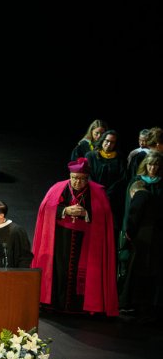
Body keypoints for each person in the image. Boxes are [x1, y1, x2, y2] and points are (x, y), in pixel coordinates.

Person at [31, 158, 119, 316]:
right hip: (60, 238)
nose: (77, 182)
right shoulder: (58, 188)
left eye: (82, 179)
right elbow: (46, 208)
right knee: (59, 270)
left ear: (87, 178)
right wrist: (66, 211)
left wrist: (86, 213)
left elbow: (104, 214)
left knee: (83, 271)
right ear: (70, 176)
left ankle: (80, 307)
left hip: (86, 239)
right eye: (74, 178)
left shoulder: (97, 192)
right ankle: (54, 304)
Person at [121, 154, 161, 321]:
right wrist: (128, 231)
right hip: (141, 233)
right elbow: (131, 210)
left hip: (157, 233)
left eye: (156, 166)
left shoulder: (160, 184)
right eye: (150, 165)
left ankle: (150, 303)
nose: (153, 169)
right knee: (137, 267)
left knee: (153, 268)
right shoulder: (138, 183)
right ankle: (133, 302)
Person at [85, 130, 128, 224]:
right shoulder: (91, 156)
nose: (109, 144)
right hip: (93, 196)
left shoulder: (120, 158)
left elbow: (122, 179)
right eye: (107, 141)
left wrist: (108, 194)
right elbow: (88, 175)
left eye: (112, 142)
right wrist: (98, 192)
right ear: (102, 140)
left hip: (112, 199)